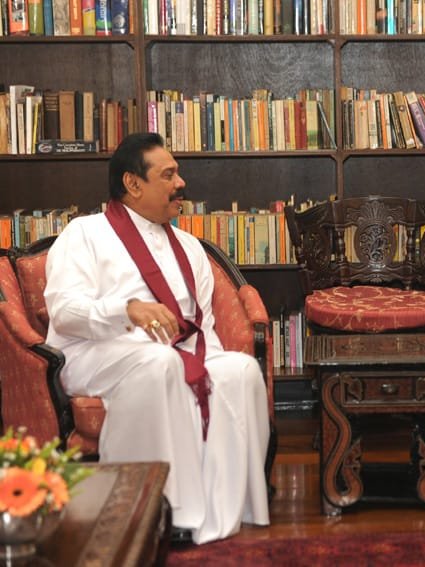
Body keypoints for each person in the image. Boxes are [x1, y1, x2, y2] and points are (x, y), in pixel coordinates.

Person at [44, 132, 270, 545]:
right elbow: (65, 312)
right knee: (159, 363)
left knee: (238, 370)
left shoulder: (190, 246)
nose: (180, 183)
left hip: (175, 352)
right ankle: (162, 510)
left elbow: (202, 327)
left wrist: (205, 372)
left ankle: (225, 509)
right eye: (168, 174)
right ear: (133, 184)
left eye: (178, 173)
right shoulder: (84, 234)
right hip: (96, 352)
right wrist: (125, 310)